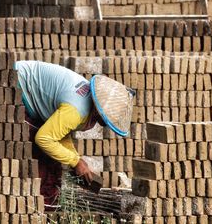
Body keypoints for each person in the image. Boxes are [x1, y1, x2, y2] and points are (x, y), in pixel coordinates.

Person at [13, 60, 135, 206]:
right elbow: (44, 138)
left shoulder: (87, 99)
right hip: (15, 85)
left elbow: (61, 133)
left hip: (26, 84)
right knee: (44, 158)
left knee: (55, 159)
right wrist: (75, 161)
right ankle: (40, 210)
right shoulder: (76, 110)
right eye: (107, 120)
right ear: (100, 111)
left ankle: (47, 206)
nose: (106, 125)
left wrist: (77, 160)